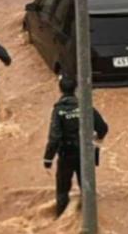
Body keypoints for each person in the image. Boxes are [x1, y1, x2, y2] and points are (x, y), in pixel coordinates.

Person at [43, 76, 109, 217]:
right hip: (86, 153)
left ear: (60, 89)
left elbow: (54, 137)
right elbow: (102, 128)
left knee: (62, 190)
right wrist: (97, 140)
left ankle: (60, 222)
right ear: (76, 89)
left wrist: (48, 159)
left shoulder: (59, 111)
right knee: (87, 188)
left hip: (66, 155)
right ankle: (90, 218)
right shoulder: (86, 107)